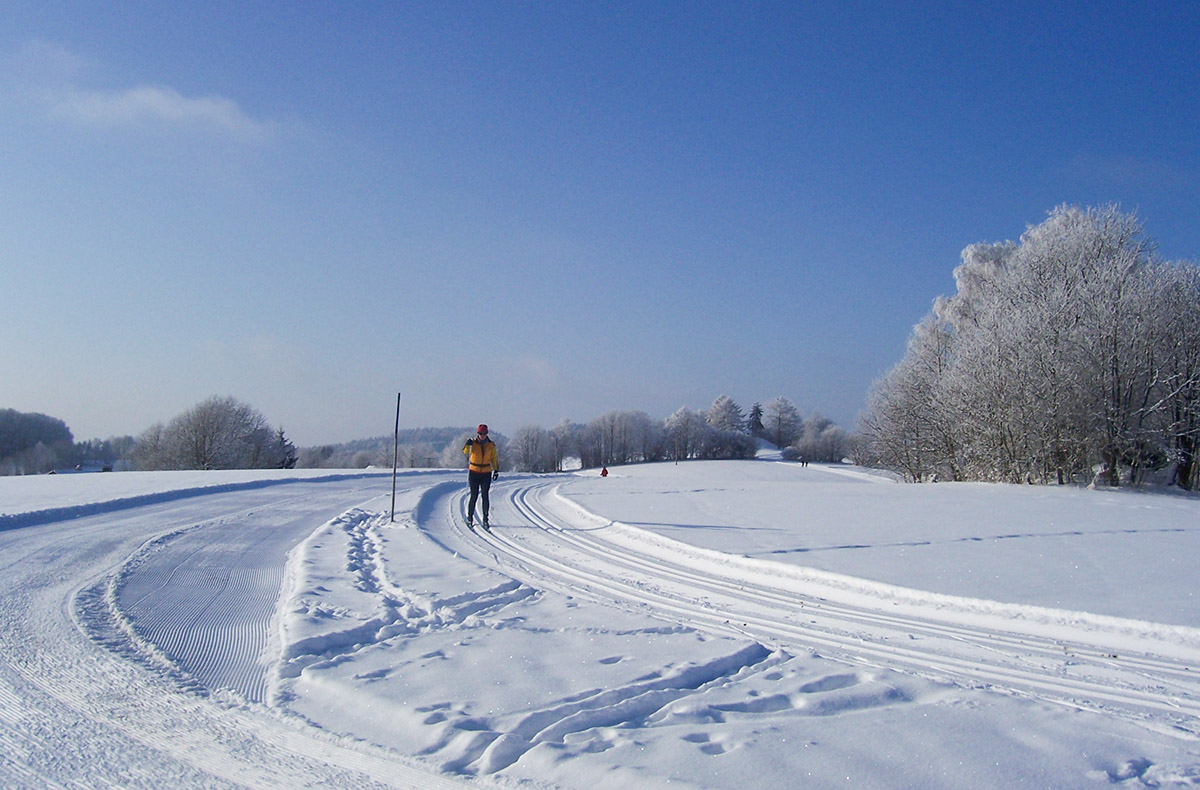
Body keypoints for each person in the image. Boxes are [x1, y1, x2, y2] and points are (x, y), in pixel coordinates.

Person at [463, 424, 500, 529]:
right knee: (473, 495)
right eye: (480, 433)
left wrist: (496, 470)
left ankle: (485, 518)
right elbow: (465, 452)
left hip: (486, 472)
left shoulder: (491, 445)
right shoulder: (473, 443)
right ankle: (470, 517)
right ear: (477, 433)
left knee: (485, 495)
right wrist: (467, 444)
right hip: (474, 471)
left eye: (484, 433)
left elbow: (494, 458)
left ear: (487, 433)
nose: (482, 435)